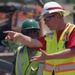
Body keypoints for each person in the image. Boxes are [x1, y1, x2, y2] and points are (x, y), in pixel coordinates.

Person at [4, 1, 75, 75]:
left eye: (47, 19)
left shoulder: (72, 31)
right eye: (44, 20)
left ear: (57, 16)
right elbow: (32, 42)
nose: (45, 23)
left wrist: (48, 57)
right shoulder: (51, 37)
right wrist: (19, 36)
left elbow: (73, 52)